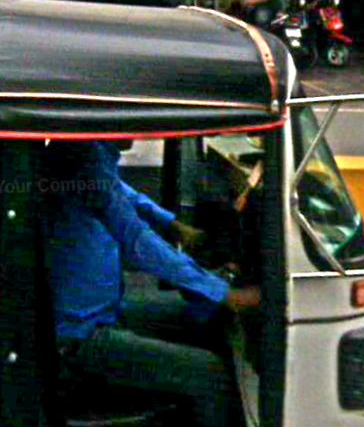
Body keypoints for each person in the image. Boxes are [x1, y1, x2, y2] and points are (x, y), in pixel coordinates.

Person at [42, 140, 259, 427]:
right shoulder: (82, 159)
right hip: (79, 337)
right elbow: (136, 241)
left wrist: (174, 226)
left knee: (202, 315)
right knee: (211, 376)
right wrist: (223, 293)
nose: (138, 135)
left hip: (103, 310)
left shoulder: (88, 152)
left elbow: (125, 195)